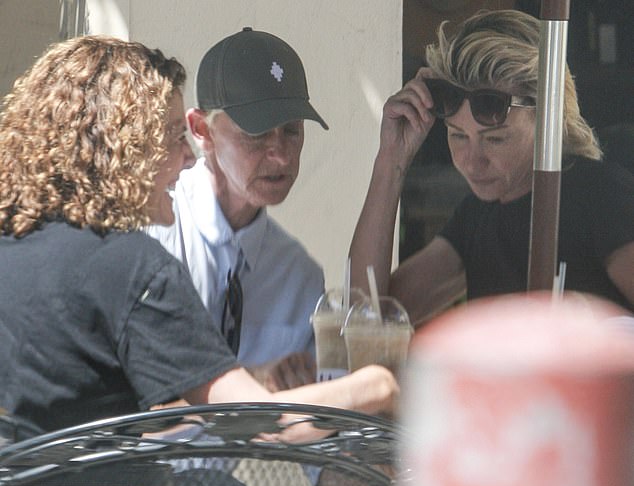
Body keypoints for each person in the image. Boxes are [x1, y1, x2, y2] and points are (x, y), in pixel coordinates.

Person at [0, 35, 397, 438]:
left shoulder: (15, 242)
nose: (188, 156)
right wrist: (380, 385)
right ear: (124, 149)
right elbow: (254, 419)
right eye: (174, 138)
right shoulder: (135, 262)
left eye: (292, 131)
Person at [349, 9, 634, 326]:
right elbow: (367, 316)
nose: (472, 160)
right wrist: (391, 160)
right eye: (458, 135)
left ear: (548, 117)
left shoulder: (601, 197)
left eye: (495, 139)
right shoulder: (476, 216)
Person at [145, 28, 326, 386]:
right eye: (257, 133)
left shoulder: (300, 277)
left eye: (292, 130)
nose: (281, 154)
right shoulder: (152, 230)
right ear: (201, 130)